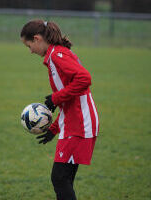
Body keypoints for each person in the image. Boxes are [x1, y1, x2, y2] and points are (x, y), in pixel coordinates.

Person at [20, 19, 99, 200]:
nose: (30, 51)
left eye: (29, 45)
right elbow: (69, 100)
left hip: (80, 124)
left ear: (37, 38)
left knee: (59, 178)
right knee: (63, 179)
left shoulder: (57, 55)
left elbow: (84, 79)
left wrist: (55, 98)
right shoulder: (55, 55)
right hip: (73, 123)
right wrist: (54, 129)